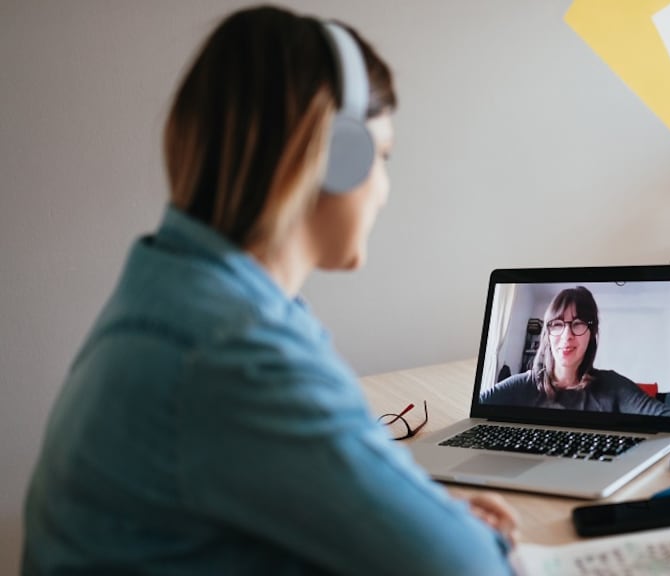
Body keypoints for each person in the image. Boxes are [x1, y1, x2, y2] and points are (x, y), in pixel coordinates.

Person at [22, 6, 517, 575]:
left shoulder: (176, 288)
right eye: (381, 157)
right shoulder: (236, 349)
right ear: (336, 156)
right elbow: (464, 569)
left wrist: (427, 518)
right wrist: (476, 538)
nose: (383, 190)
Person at [480, 286, 670, 416]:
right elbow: (474, 412)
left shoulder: (613, 386)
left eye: (578, 324)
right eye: (557, 324)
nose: (567, 335)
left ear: (592, 333)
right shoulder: (522, 385)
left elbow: (668, 418)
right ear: (548, 333)